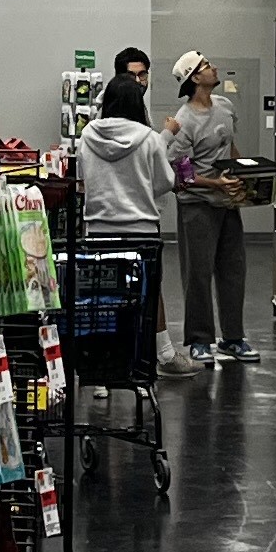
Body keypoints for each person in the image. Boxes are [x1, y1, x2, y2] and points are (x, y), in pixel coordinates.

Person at [70, 72, 180, 373]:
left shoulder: (87, 135)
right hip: (140, 231)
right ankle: (145, 364)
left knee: (100, 299)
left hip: (99, 230)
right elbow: (165, 182)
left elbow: (82, 179)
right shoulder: (149, 139)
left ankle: (100, 371)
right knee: (145, 297)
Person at [165, 49, 250, 366]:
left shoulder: (225, 106)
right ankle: (200, 340)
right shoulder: (184, 121)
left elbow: (230, 147)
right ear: (194, 78)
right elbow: (182, 175)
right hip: (197, 206)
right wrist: (216, 184)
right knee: (198, 274)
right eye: (205, 66)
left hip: (226, 203)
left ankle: (233, 338)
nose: (213, 67)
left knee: (233, 270)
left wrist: (240, 175)